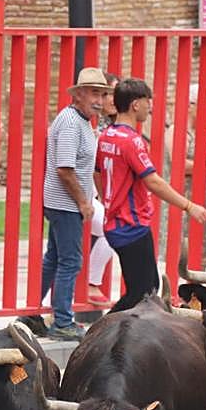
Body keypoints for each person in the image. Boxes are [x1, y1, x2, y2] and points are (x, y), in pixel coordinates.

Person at [96, 77, 206, 313]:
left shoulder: (107, 136)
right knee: (145, 293)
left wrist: (108, 202)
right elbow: (153, 182)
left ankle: (115, 333)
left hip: (115, 222)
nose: (150, 107)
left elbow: (98, 174)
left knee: (143, 289)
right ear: (136, 104)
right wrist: (189, 206)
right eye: (148, 101)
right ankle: (103, 330)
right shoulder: (132, 141)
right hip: (131, 224)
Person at [40, 67, 109, 342]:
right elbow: (64, 169)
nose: (99, 101)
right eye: (94, 93)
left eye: (103, 95)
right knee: (71, 261)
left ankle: (35, 311)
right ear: (78, 94)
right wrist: (84, 201)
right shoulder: (71, 122)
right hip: (66, 204)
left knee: (54, 258)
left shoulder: (80, 120)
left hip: (62, 202)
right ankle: (63, 322)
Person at [87, 72, 120, 305]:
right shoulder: (91, 122)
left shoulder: (114, 123)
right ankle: (91, 283)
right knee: (112, 228)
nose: (112, 99)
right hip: (84, 194)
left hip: (96, 195)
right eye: (108, 94)